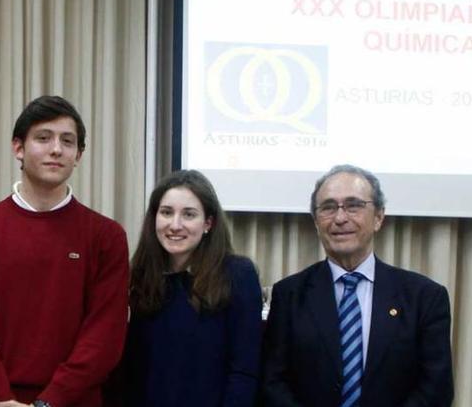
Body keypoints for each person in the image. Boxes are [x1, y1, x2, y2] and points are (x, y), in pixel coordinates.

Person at [0, 95, 129, 407]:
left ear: (78, 155)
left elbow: (104, 337)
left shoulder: (106, 236)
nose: (56, 149)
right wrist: (0, 398)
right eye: (43, 138)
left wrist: (49, 403)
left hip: (72, 401)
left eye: (68, 141)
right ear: (18, 147)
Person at [261, 164, 454, 407]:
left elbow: (436, 388)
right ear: (315, 221)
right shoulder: (289, 295)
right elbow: (272, 382)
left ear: (379, 217)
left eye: (353, 206)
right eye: (328, 208)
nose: (340, 218)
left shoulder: (424, 297)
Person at [121, 170, 261, 406]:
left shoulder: (237, 274)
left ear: (208, 223)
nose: (175, 225)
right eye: (166, 212)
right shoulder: (139, 277)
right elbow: (130, 372)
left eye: (189, 214)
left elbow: (244, 371)